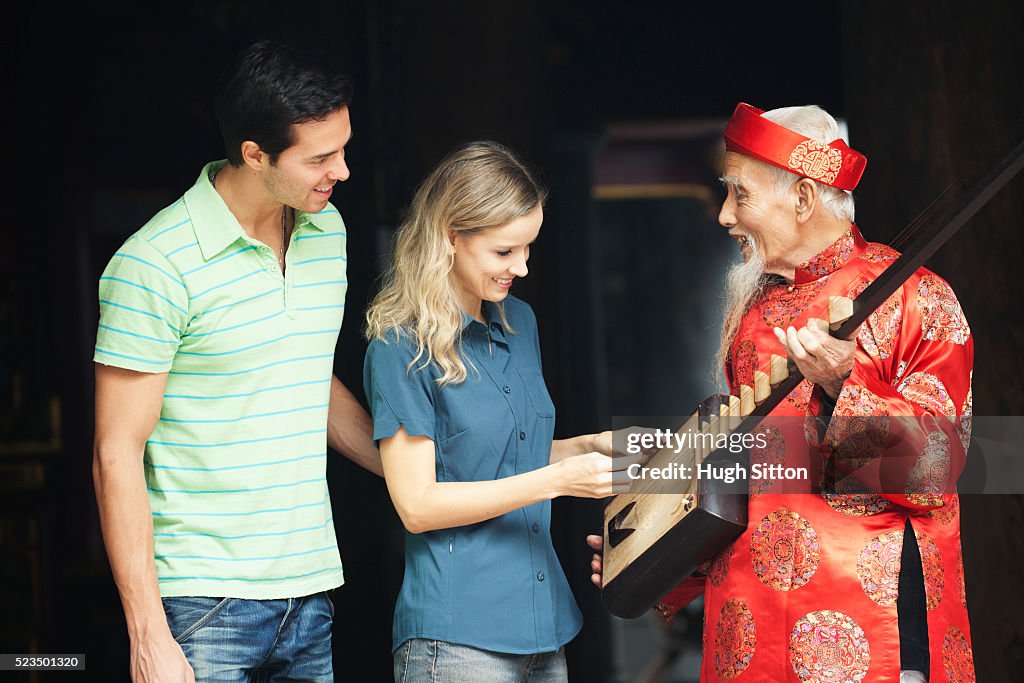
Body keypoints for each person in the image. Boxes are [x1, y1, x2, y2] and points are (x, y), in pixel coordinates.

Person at [589, 103, 975, 682]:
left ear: (802, 197)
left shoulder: (918, 299)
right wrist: (655, 552)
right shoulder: (752, 313)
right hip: (748, 626)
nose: (724, 216)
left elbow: (935, 474)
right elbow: (749, 481)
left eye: (738, 195)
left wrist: (849, 386)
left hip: (867, 627)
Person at [92, 41, 381, 683]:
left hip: (310, 592)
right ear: (254, 154)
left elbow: (305, 379)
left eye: (343, 147)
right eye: (319, 158)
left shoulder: (325, 230)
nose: (342, 171)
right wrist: (147, 636)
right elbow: (116, 451)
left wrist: (410, 469)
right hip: (203, 607)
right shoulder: (155, 264)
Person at [363, 141, 641, 682]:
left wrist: (583, 449)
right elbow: (417, 505)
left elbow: (500, 455)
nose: (523, 267)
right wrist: (560, 479)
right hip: (457, 635)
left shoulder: (519, 321)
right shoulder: (399, 346)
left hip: (546, 627)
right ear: (450, 237)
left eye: (528, 248)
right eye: (504, 252)